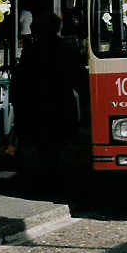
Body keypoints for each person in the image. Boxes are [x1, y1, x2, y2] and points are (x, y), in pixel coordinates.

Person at [12, 12, 84, 193]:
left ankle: (45, 178)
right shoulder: (67, 48)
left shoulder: (32, 50)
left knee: (42, 145)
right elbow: (79, 77)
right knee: (58, 145)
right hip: (60, 102)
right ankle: (56, 178)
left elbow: (22, 80)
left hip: (37, 103)